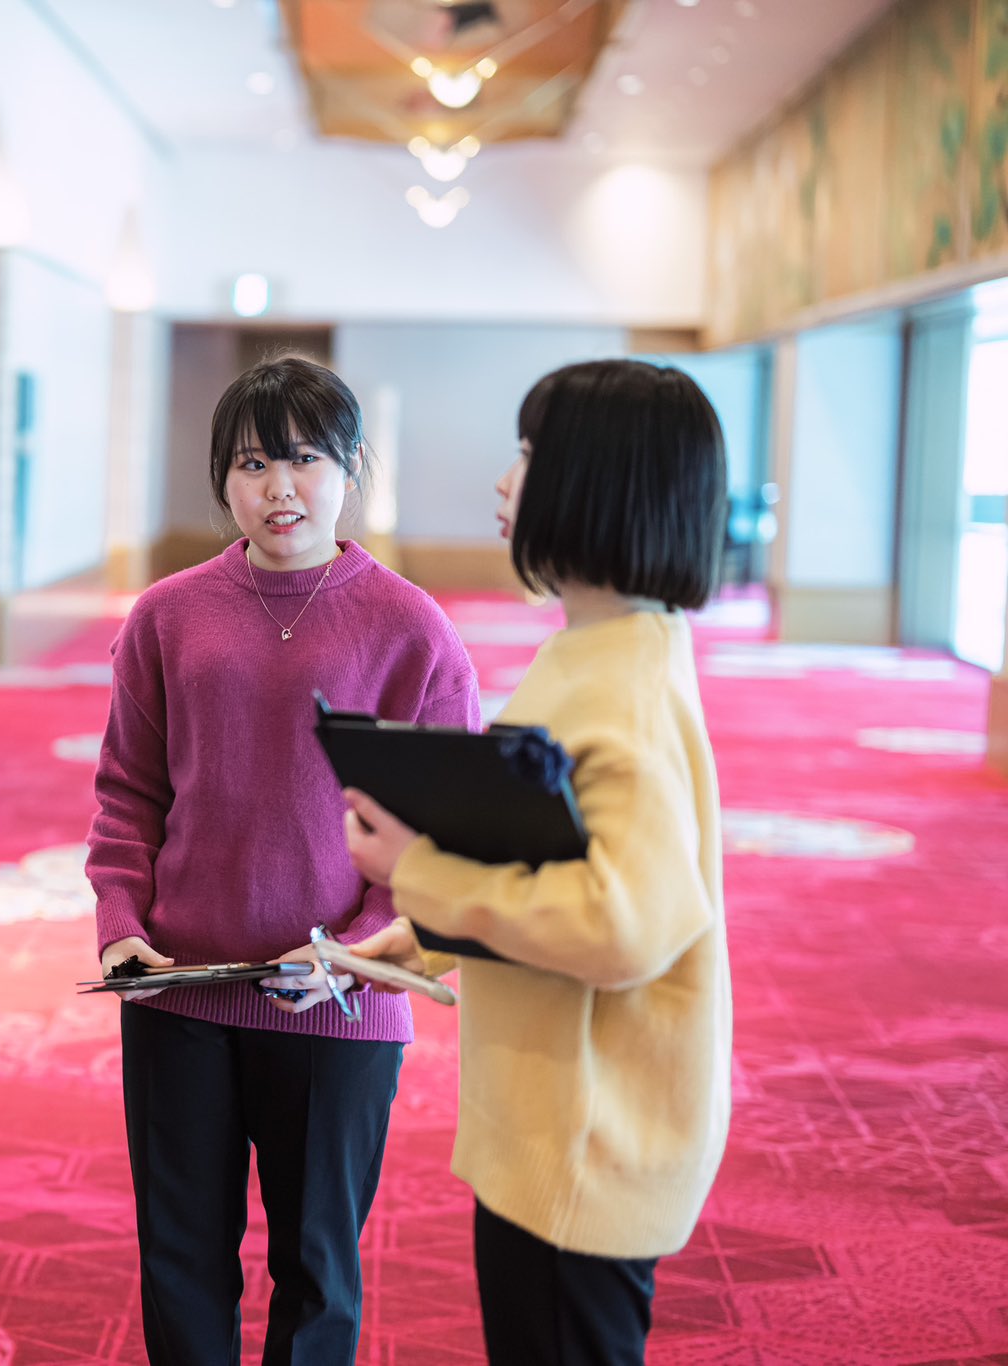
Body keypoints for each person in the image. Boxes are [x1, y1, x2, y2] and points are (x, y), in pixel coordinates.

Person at [86, 355, 481, 1364]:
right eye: (253, 463)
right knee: (178, 1261)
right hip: (181, 990)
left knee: (315, 1271)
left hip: (340, 1002)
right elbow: (128, 794)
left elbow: (440, 835)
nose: (278, 489)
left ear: (350, 468)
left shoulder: (410, 628)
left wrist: (351, 951)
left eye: (304, 460)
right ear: (222, 477)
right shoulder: (167, 615)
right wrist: (123, 929)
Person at [342, 359, 733, 1365]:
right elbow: (548, 854)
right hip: (560, 1129)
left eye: (525, 453)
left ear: (596, 482)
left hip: (585, 1146)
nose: (503, 481)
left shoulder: (622, 687)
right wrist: (424, 931)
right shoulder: (603, 650)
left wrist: (421, 871)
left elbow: (621, 925)